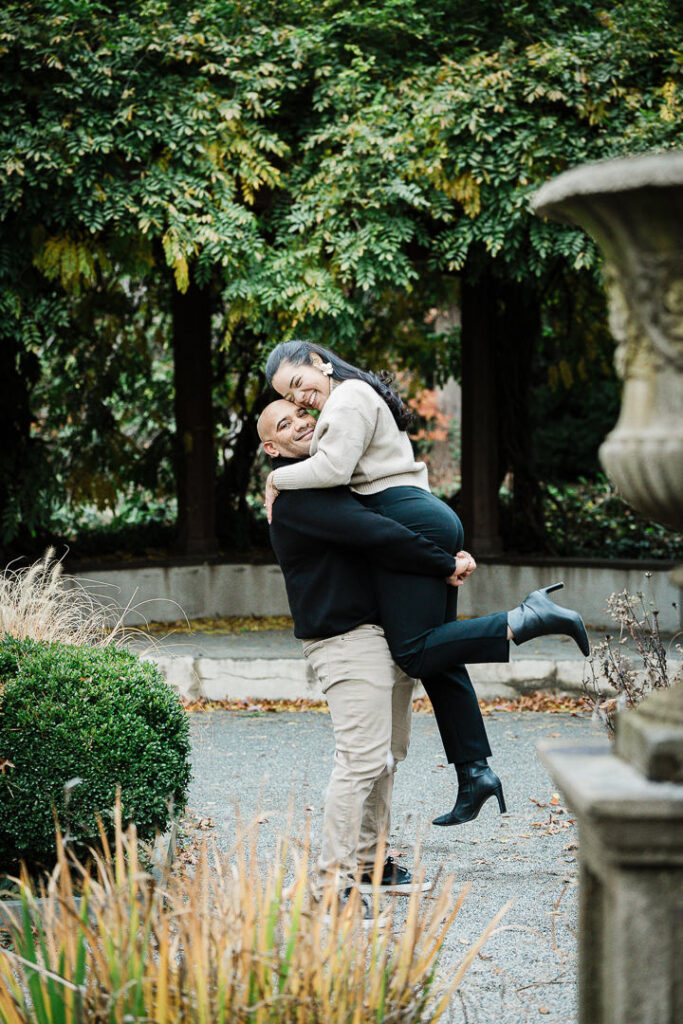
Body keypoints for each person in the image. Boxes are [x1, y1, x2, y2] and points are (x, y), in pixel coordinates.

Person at [263, 340, 590, 825]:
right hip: (418, 515)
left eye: (298, 384)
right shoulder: (348, 397)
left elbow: (331, 471)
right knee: (439, 652)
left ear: (318, 362)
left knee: (413, 650)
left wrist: (275, 482)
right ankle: (474, 771)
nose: (302, 398)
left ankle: (526, 619)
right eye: (289, 399)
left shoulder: (347, 398)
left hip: (405, 518)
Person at [257, 399, 469, 912]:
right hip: (344, 640)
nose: (300, 424)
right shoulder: (298, 495)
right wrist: (444, 562)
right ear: (272, 448)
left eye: (302, 414)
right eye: (284, 425)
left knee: (388, 754)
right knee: (361, 760)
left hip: (377, 633)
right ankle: (328, 891)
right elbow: (377, 533)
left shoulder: (327, 482)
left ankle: (371, 863)